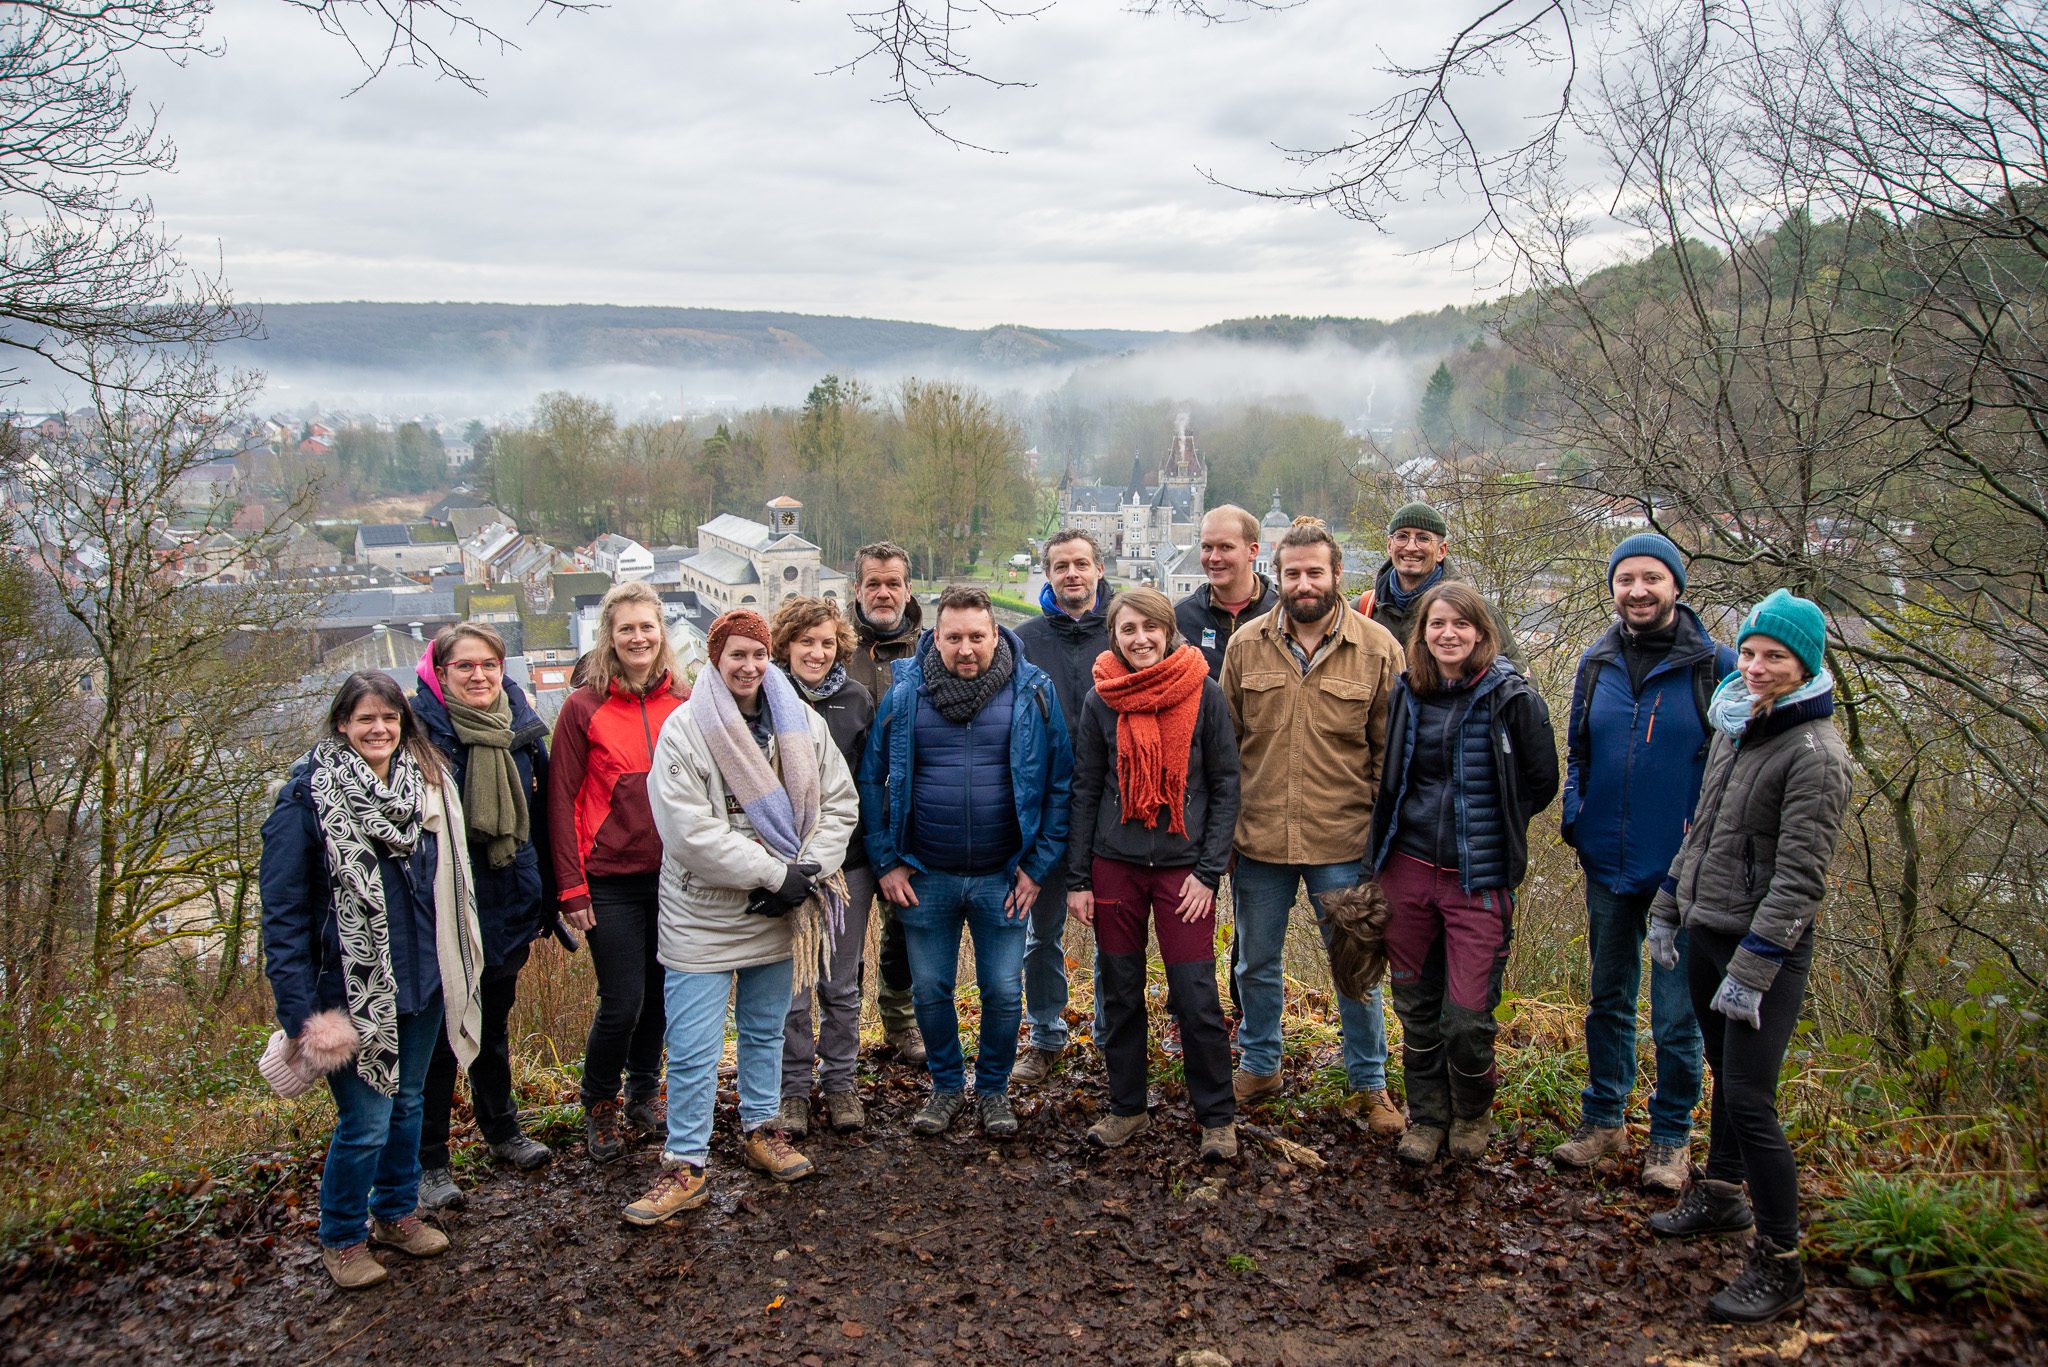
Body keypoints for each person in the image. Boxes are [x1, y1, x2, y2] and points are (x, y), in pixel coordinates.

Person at [1645, 590, 1852, 1324]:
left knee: (1752, 1100)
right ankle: (1723, 1195)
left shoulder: (1815, 755)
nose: (1758, 666)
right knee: (1724, 1078)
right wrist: (1668, 908)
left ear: (1806, 664)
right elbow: (1701, 833)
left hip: (1762, 950)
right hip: (1707, 928)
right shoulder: (1736, 724)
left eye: (1777, 656)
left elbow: (1800, 882)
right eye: (1754, 652)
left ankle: (1781, 1260)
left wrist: (1752, 970)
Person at [623, 611, 858, 1226]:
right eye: (736, 656)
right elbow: (688, 831)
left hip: (781, 908)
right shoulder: (685, 729)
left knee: (765, 1030)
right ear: (715, 658)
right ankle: (686, 1164)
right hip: (704, 915)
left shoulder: (799, 721)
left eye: (758, 654)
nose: (749, 666)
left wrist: (805, 871)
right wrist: (773, 873)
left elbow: (840, 802)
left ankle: (762, 1130)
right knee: (695, 1046)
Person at [261, 672, 485, 1289]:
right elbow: (282, 920)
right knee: (364, 1123)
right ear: (342, 724)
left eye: (389, 718)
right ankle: (341, 1236)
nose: (379, 729)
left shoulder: (423, 789)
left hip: (421, 979)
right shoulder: (306, 800)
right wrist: (302, 1016)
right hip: (351, 992)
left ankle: (395, 1213)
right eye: (365, 719)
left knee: (409, 1103)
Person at [1552, 534, 1733, 1192]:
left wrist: (1705, 848)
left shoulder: (1714, 667)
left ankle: (1670, 1138)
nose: (1637, 590)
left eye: (1651, 578)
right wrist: (1577, 817)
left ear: (1676, 587)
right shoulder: (1597, 661)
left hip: (1682, 872)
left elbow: (1734, 771)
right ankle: (1602, 1119)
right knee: (1607, 998)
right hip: (1609, 861)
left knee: (1677, 1014)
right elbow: (1580, 749)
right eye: (1625, 578)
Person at [859, 585, 1072, 1140]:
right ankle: (947, 1088)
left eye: (977, 636)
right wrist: (886, 862)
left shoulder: (1033, 692)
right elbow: (873, 783)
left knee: (1003, 991)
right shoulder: (906, 694)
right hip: (925, 876)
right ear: (936, 636)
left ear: (996, 634)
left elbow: (1058, 785)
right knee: (930, 990)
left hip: (1004, 877)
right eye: (954, 638)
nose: (966, 649)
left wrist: (1037, 866)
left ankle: (994, 1089)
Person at [1220, 516, 1405, 1132]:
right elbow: (1226, 747)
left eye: (1314, 572)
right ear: (1278, 574)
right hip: (1261, 838)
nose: (1303, 583)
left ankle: (1370, 1084)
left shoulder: (1379, 649)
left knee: (1357, 968)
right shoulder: (1245, 645)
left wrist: (1381, 843)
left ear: (1336, 575)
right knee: (1255, 963)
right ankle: (1261, 1063)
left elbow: (1390, 757)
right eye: (1292, 572)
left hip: (1343, 840)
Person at [1368, 582, 1559, 1165]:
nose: (1448, 634)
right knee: (1416, 1008)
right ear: (1421, 634)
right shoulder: (1409, 692)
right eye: (1436, 624)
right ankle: (1426, 1117)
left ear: (1481, 632)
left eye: (1460, 624)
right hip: (1406, 870)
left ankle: (1471, 1110)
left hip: (1477, 877)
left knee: (1468, 1019)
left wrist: (1490, 826)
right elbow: (1395, 777)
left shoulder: (1512, 698)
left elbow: (1541, 780)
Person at [1066, 588, 1240, 1160]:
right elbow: (1087, 789)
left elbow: (1225, 787)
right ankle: (1127, 1108)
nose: (1139, 639)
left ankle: (1216, 1118)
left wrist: (1209, 873)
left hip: (1183, 872)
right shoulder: (1100, 700)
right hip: (1115, 867)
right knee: (1119, 991)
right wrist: (1079, 879)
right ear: (1112, 635)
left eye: (1150, 628)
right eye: (1127, 629)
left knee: (1196, 995)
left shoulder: (1205, 692)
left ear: (1169, 631)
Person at [410, 624, 562, 1212]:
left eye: (489, 665)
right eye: (464, 666)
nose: (478, 676)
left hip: (507, 901)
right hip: (445, 909)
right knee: (443, 1037)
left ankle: (501, 1132)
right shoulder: (418, 734)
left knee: (492, 1025)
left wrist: (547, 898)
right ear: (440, 673)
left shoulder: (519, 727)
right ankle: (430, 1161)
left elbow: (546, 816)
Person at [548, 580, 688, 1163]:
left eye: (647, 627)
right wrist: (571, 886)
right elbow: (560, 799)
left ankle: (642, 1095)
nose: (637, 637)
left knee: (660, 998)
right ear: (610, 636)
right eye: (625, 627)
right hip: (608, 878)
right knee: (623, 1001)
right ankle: (600, 1105)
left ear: (662, 634)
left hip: (675, 878)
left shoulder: (683, 699)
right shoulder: (583, 707)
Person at [770, 596, 876, 1137]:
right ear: (784, 645)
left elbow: (870, 782)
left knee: (840, 983)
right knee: (792, 987)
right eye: (806, 641)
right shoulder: (762, 697)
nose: (817, 652)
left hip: (847, 865)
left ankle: (840, 1085)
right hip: (780, 866)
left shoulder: (856, 699)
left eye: (827, 642)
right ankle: (791, 1092)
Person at [1012, 528, 1111, 1085]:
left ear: (1099, 568)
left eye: (1081, 564)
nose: (1071, 574)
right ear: (1047, 575)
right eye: (1060, 566)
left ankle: (1108, 1032)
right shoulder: (1023, 641)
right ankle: (1046, 1031)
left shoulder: (1127, 633)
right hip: (1046, 812)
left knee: (1114, 934)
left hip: (1113, 810)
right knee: (1042, 933)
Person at [844, 541, 926, 1066]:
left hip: (909, 822)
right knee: (842, 941)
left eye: (892, 582)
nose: (883, 592)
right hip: (843, 824)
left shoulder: (932, 650)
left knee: (906, 934)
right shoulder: (834, 646)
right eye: (872, 582)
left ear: (908, 589)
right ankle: (842, 1034)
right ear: (857, 589)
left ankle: (900, 1023)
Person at [1358, 501, 1517, 661]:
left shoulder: (1477, 610)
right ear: (1389, 546)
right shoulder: (1363, 611)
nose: (1411, 547)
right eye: (1402, 536)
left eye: (1423, 538)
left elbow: (1521, 682)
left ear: (1441, 551)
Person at [1175, 505, 1279, 680]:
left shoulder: (1280, 616)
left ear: (1252, 551)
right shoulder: (1181, 618)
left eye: (1225, 547)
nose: (1214, 557)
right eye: (1207, 547)